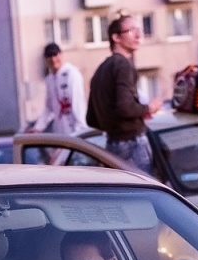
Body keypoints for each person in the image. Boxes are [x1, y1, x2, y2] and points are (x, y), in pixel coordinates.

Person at [85, 14, 161, 174]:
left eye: (139, 30)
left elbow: (91, 119)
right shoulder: (123, 65)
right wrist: (149, 108)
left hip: (112, 145)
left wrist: (113, 123)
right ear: (116, 37)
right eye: (132, 30)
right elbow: (125, 108)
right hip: (133, 143)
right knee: (144, 193)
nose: (138, 35)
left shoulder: (101, 69)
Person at [27, 42, 87, 139]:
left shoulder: (71, 74)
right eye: (49, 56)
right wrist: (38, 127)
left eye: (55, 55)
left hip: (76, 131)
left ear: (61, 55)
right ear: (45, 59)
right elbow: (49, 107)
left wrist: (79, 129)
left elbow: (77, 103)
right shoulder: (50, 79)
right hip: (61, 132)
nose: (53, 59)